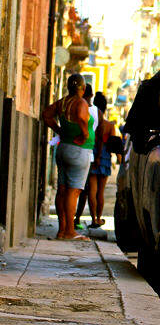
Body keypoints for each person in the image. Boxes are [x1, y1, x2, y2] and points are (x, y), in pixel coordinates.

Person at [42, 74, 95, 241]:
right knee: (74, 191)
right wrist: (85, 134)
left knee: (62, 189)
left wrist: (58, 130)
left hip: (63, 148)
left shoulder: (62, 102)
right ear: (83, 89)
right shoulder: (81, 102)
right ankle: (70, 231)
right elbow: (80, 116)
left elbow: (46, 114)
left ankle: (62, 230)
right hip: (79, 151)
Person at [87, 93, 115, 228]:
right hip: (105, 159)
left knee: (92, 190)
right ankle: (99, 218)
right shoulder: (110, 126)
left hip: (92, 156)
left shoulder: (92, 123)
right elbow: (113, 144)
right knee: (101, 192)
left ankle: (93, 219)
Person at [74, 84, 99, 230]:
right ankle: (77, 218)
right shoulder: (96, 111)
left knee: (71, 188)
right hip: (89, 151)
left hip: (77, 145)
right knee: (83, 189)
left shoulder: (78, 107)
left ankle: (70, 221)